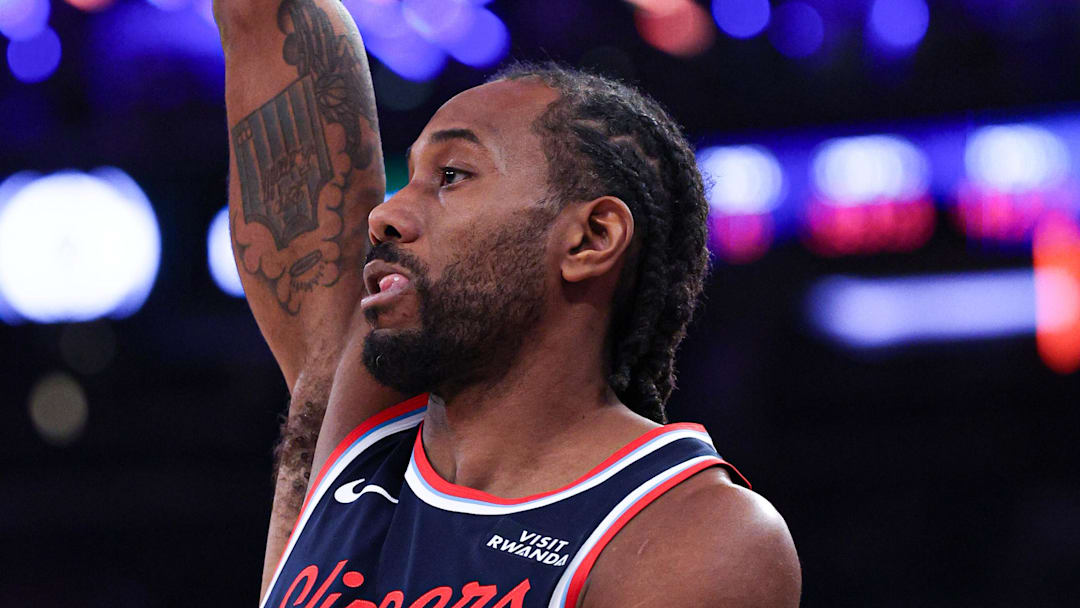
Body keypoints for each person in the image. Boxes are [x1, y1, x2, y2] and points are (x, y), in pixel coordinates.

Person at [214, 0, 801, 605]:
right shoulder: (358, 420)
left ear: (590, 238)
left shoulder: (691, 533)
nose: (385, 214)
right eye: (408, 177)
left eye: (451, 176)